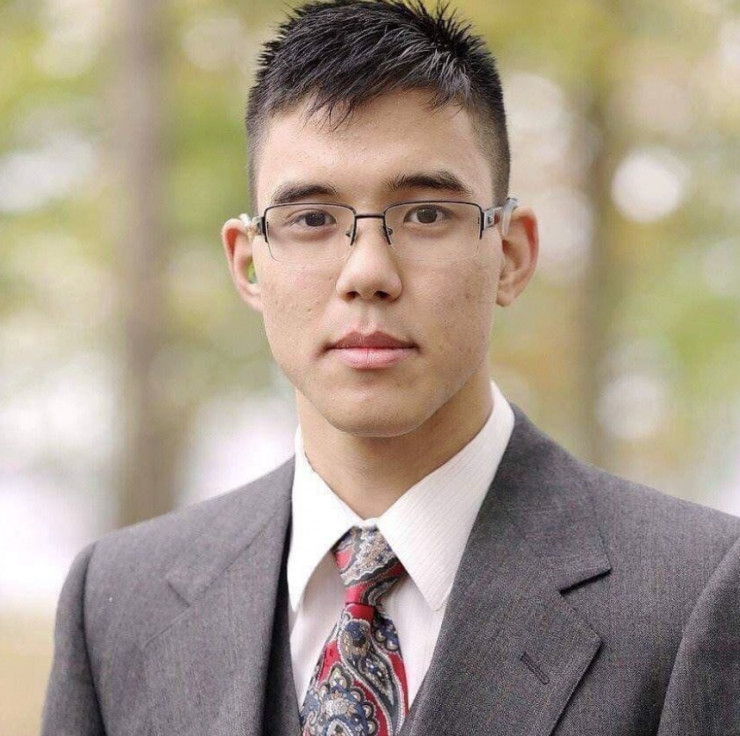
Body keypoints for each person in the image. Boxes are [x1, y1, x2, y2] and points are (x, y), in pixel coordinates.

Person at [43, 1, 740, 734]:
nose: (368, 272)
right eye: (312, 219)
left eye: (426, 214)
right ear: (248, 265)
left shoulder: (696, 593)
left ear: (511, 254)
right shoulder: (117, 603)